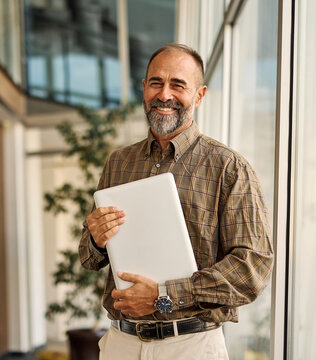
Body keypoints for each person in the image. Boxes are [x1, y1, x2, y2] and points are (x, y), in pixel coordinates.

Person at [79, 43, 273, 360]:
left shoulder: (228, 167)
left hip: (191, 346)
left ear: (199, 95)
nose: (164, 95)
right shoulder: (119, 163)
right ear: (143, 88)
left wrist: (163, 296)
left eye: (178, 85)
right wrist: (97, 241)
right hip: (121, 343)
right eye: (156, 82)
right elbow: (88, 258)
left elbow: (253, 267)